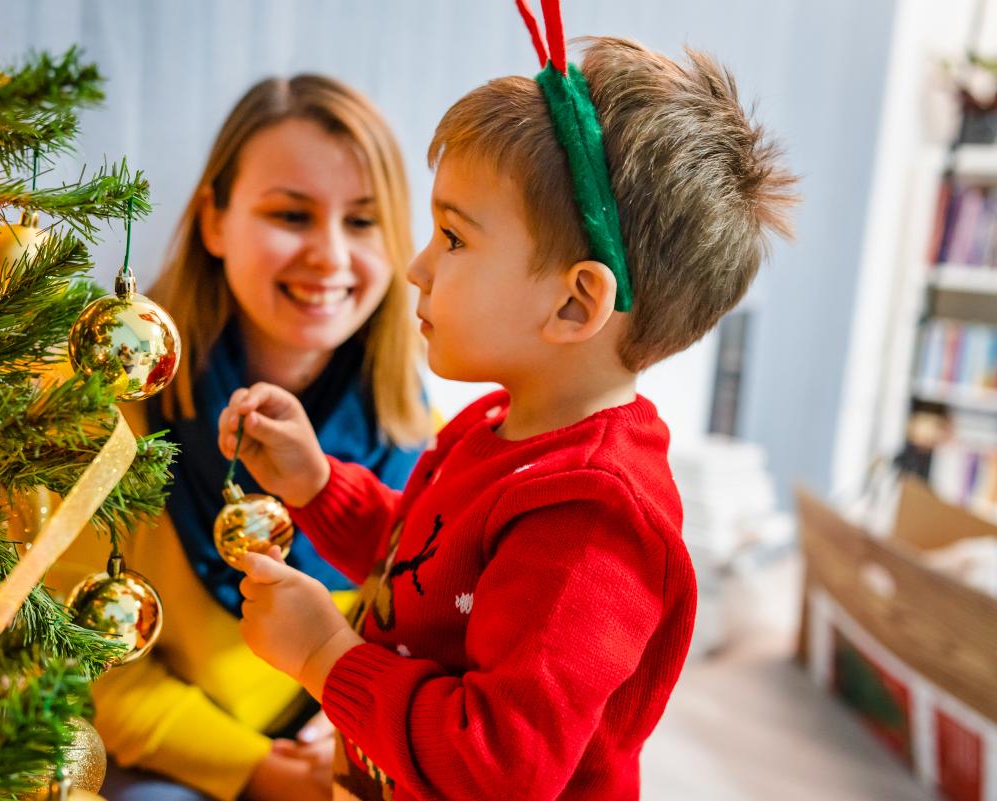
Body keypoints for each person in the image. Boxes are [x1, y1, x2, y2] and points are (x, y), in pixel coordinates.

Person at [216, 34, 798, 801]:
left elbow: (499, 765)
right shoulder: (500, 422)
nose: (419, 266)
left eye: (453, 237)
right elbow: (422, 568)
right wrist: (317, 483)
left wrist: (326, 655)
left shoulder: (592, 520)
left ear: (573, 301)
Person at [53, 74, 428, 801]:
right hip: (162, 765)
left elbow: (425, 639)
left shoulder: (425, 437)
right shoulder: (104, 409)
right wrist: (253, 770)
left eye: (362, 220)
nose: (329, 254)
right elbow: (81, 655)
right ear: (214, 221)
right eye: (292, 214)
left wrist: (351, 713)